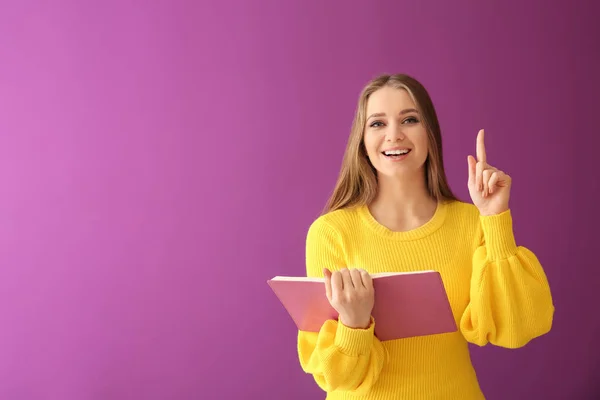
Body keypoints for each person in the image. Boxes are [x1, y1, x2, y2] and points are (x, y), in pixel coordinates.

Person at [296, 73, 554, 399]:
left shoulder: (472, 221)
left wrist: (495, 219)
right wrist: (353, 325)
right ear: (361, 140)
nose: (394, 135)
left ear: (430, 133)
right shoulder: (330, 233)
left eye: (410, 119)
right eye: (377, 124)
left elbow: (518, 327)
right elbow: (334, 378)